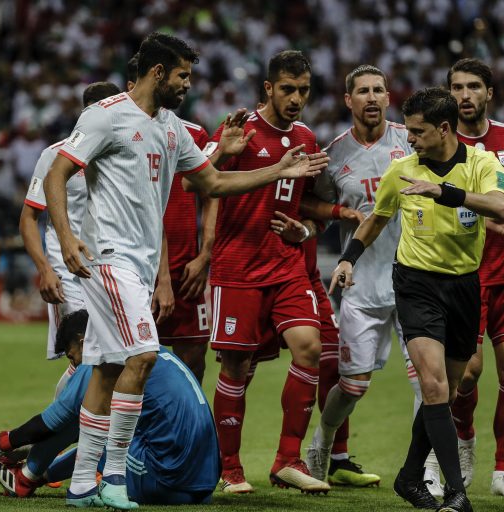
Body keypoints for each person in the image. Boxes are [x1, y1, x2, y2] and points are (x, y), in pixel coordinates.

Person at [44, 33, 328, 509]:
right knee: (144, 356)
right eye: (182, 75)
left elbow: (213, 180)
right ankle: (113, 477)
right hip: (110, 259)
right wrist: (68, 237)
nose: (188, 84)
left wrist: (276, 172)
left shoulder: (171, 127)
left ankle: (79, 486)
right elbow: (57, 173)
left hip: (142, 261)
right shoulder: (106, 115)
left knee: (110, 367)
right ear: (158, 73)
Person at [331, 87, 504, 512]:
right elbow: (376, 220)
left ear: (444, 130)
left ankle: (410, 477)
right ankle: (455, 494)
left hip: (464, 285)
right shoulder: (404, 171)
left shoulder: (482, 162)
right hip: (415, 284)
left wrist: (441, 192)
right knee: (432, 386)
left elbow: (497, 205)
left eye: (418, 132)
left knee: (446, 393)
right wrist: (347, 259)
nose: (409, 139)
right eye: (409, 131)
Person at [208, 50, 329, 494]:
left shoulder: (307, 138)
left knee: (309, 349)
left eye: (304, 90)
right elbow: (193, 182)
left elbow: (311, 204)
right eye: (288, 89)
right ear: (268, 89)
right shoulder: (239, 130)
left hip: (286, 266)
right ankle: (231, 469)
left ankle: (287, 460)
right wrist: (223, 152)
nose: (297, 98)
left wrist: (308, 227)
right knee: (237, 366)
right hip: (237, 267)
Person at [301, 65, 422, 488]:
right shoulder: (334, 155)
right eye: (362, 92)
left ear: (389, 97)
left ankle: (425, 468)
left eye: (378, 91)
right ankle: (324, 441)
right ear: (348, 100)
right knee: (353, 386)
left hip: (415, 283)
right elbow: (310, 205)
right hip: (361, 286)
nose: (371, 98)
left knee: (428, 380)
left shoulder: (412, 142)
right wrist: (340, 213)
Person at [0, 310, 221, 505]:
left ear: (84, 341)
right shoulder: (151, 350)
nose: (75, 365)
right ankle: (32, 476)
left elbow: (52, 421)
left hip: (166, 482)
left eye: (72, 357)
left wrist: (1, 442)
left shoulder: (103, 359)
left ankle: (27, 477)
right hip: (204, 482)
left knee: (90, 420)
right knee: (110, 424)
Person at [446, 57, 504, 497]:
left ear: (489, 93)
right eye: (457, 87)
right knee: (467, 375)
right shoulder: (440, 146)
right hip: (464, 274)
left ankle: (503, 469)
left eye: (474, 86)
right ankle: (466, 439)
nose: (465, 95)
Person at [126, 55, 218, 383]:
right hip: (136, 268)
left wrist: (205, 254)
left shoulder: (193, 133)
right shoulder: (121, 135)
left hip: (187, 271)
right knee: (135, 363)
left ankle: (186, 431)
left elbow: (212, 195)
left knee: (194, 361)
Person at [19, 81, 121, 371]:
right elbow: (29, 217)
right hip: (69, 271)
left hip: (112, 267)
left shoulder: (124, 155)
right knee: (83, 354)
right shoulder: (55, 156)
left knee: (110, 360)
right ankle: (68, 417)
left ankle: (66, 415)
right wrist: (45, 269)